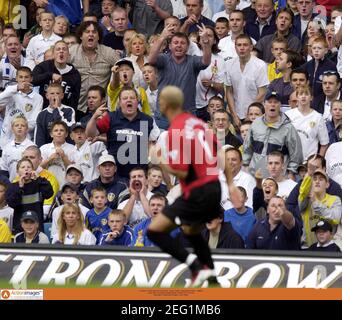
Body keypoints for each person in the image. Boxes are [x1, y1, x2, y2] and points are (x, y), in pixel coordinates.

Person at [147, 86, 222, 287]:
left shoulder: (175, 132)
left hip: (198, 190)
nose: (158, 104)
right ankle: (213, 280)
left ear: (165, 104)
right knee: (191, 230)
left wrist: (159, 160)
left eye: (160, 100)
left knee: (154, 231)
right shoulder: (198, 124)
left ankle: (196, 267)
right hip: (215, 187)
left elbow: (182, 172)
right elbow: (217, 149)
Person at [86, 86, 159, 179]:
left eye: (132, 98)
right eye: (125, 98)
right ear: (120, 102)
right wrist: (94, 117)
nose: (129, 100)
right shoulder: (111, 118)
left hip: (140, 176)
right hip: (116, 177)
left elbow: (153, 146)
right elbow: (90, 134)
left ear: (138, 101)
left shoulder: (147, 120)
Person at [148, 25, 212, 129]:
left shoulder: (192, 61)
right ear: (169, 46)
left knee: (186, 145)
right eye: (175, 43)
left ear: (187, 47)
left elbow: (206, 61)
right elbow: (151, 60)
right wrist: (162, 37)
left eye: (182, 43)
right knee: (163, 144)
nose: (179, 45)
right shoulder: (163, 59)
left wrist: (205, 41)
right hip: (164, 116)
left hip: (187, 115)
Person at [243, 91, 303, 178]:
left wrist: (291, 173)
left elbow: (296, 154)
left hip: (278, 177)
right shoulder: (256, 124)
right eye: (270, 102)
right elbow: (247, 148)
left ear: (280, 105)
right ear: (264, 104)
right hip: (255, 174)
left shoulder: (288, 128)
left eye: (275, 102)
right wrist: (245, 166)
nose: (272, 105)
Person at [68, 21, 119, 116]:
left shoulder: (108, 52)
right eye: (87, 32)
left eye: (94, 32)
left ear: (99, 36)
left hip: (101, 108)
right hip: (77, 105)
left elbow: (123, 68)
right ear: (81, 36)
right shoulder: (72, 52)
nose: (91, 34)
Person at [225, 34, 269, 126]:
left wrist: (249, 115)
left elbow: (262, 93)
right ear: (235, 47)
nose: (242, 48)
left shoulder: (260, 65)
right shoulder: (229, 64)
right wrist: (234, 115)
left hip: (255, 115)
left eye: (245, 45)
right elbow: (229, 91)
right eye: (239, 45)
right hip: (236, 113)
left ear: (251, 47)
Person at [6, 158, 53, 234]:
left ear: (33, 170)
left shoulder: (38, 184)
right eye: (23, 167)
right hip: (20, 229)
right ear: (18, 172)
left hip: (37, 228)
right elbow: (12, 203)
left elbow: (49, 193)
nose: (26, 169)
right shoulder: (13, 187)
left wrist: (39, 179)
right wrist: (20, 188)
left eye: (29, 167)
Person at [32, 40, 81, 111]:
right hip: (43, 111)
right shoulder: (44, 66)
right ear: (53, 54)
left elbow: (74, 100)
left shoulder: (75, 74)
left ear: (68, 54)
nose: (61, 51)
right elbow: (32, 79)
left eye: (64, 49)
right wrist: (50, 75)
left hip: (63, 114)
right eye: (58, 49)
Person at [299, 169, 342, 248]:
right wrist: (309, 174)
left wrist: (316, 203)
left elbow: (336, 219)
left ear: (327, 184)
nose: (317, 181)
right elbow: (302, 193)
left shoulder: (335, 200)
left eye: (321, 179)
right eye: (314, 179)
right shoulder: (306, 200)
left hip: (329, 248)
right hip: (308, 248)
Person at [0, 66, 43, 146]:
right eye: (21, 77)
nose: (23, 80)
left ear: (31, 79)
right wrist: (16, 88)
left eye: (26, 77)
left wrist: (19, 127)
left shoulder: (38, 98)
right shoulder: (11, 91)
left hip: (25, 139)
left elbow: (34, 121)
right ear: (16, 78)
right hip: (7, 138)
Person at [286, 85, 329, 161]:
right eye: (301, 94)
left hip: (309, 162)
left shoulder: (318, 117)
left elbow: (324, 143)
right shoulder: (288, 115)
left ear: (311, 98)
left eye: (306, 94)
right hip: (290, 160)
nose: (303, 97)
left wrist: (317, 161)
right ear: (297, 97)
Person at [34, 83, 75, 147]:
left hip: (66, 147)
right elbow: (39, 137)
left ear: (62, 96)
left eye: (57, 93)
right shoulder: (42, 114)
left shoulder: (69, 110)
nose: (55, 96)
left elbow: (69, 128)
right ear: (47, 96)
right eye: (52, 93)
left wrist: (56, 109)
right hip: (48, 149)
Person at [40, 120, 75, 187]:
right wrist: (49, 159)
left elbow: (74, 171)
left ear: (66, 134)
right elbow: (37, 168)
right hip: (47, 185)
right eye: (56, 130)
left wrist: (64, 157)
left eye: (61, 130)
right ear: (51, 134)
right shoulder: (44, 148)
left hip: (66, 186)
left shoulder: (73, 148)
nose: (59, 132)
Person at [0, 117, 35, 182]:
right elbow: (4, 170)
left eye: (23, 125)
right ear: (12, 129)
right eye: (16, 125)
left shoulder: (32, 147)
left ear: (27, 129)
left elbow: (35, 168)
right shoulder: (6, 148)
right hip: (11, 185)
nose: (19, 127)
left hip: (28, 184)